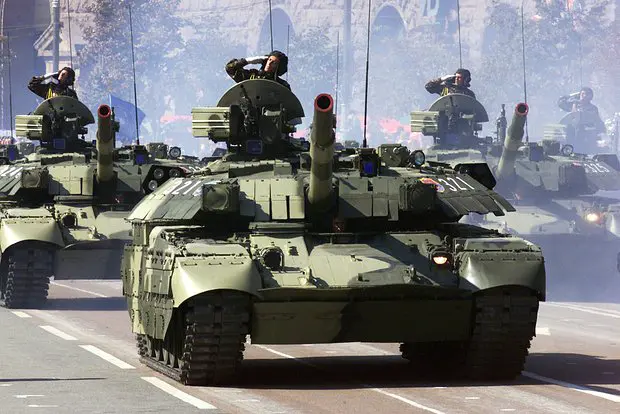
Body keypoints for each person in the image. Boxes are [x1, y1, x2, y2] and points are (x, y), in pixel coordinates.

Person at [557, 87, 606, 152]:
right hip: (570, 134)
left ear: (590, 97)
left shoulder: (593, 108)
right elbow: (560, 103)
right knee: (570, 129)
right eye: (583, 94)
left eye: (587, 94)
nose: (584, 96)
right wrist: (573, 96)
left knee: (580, 130)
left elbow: (593, 121)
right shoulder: (573, 104)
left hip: (584, 136)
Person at [225, 50, 291, 90]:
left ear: (278, 67)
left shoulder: (282, 85)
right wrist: (250, 60)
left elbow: (288, 101)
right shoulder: (252, 76)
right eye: (269, 60)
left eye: (274, 63)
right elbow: (230, 68)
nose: (269, 63)